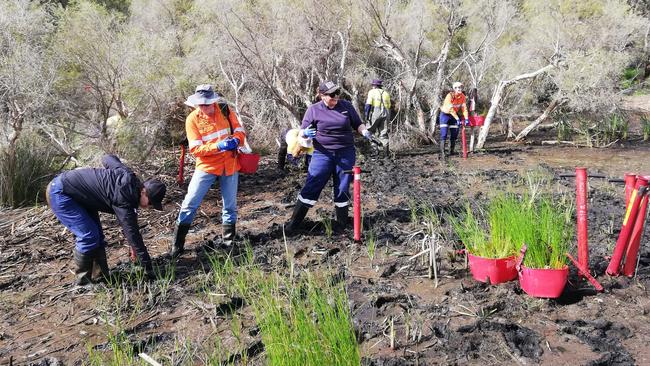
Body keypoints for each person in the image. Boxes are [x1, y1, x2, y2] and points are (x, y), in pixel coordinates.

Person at [47, 154, 166, 285]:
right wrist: (148, 268)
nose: (149, 207)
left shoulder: (127, 175)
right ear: (143, 191)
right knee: (89, 236)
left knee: (97, 236)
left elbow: (107, 158)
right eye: (150, 203)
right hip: (61, 193)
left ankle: (101, 276)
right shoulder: (124, 200)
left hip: (80, 195)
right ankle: (82, 283)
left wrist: (100, 180)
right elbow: (133, 236)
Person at [285, 80, 374, 232]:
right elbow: (302, 132)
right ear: (322, 95)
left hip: (345, 153)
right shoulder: (313, 110)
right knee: (313, 184)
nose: (336, 97)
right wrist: (305, 133)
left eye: (337, 93)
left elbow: (358, 123)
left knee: (342, 188)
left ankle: (342, 224)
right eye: (332, 94)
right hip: (322, 154)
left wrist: (365, 132)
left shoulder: (346, 106)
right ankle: (294, 224)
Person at [170, 84, 247, 258]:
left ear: (214, 101)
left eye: (207, 104)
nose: (204, 107)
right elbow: (196, 149)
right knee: (190, 203)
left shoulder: (226, 110)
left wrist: (236, 140)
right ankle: (177, 245)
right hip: (207, 166)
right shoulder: (192, 119)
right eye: (200, 104)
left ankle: (229, 242)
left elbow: (240, 131)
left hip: (230, 164)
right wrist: (218, 146)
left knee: (230, 206)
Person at [439, 81, 469, 159]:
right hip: (445, 115)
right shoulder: (449, 96)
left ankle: (451, 151)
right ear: (454, 88)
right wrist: (457, 118)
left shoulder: (462, 96)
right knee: (444, 134)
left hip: (454, 116)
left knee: (454, 133)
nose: (460, 89)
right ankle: (442, 152)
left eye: (461, 87)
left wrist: (466, 118)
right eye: (458, 87)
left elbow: (464, 108)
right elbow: (450, 109)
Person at [364, 79, 391, 154]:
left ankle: (375, 151)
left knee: (370, 131)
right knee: (384, 132)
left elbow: (368, 104)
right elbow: (389, 105)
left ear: (374, 85)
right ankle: (386, 153)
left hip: (375, 112)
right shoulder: (386, 93)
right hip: (386, 112)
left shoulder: (372, 92)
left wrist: (366, 116)